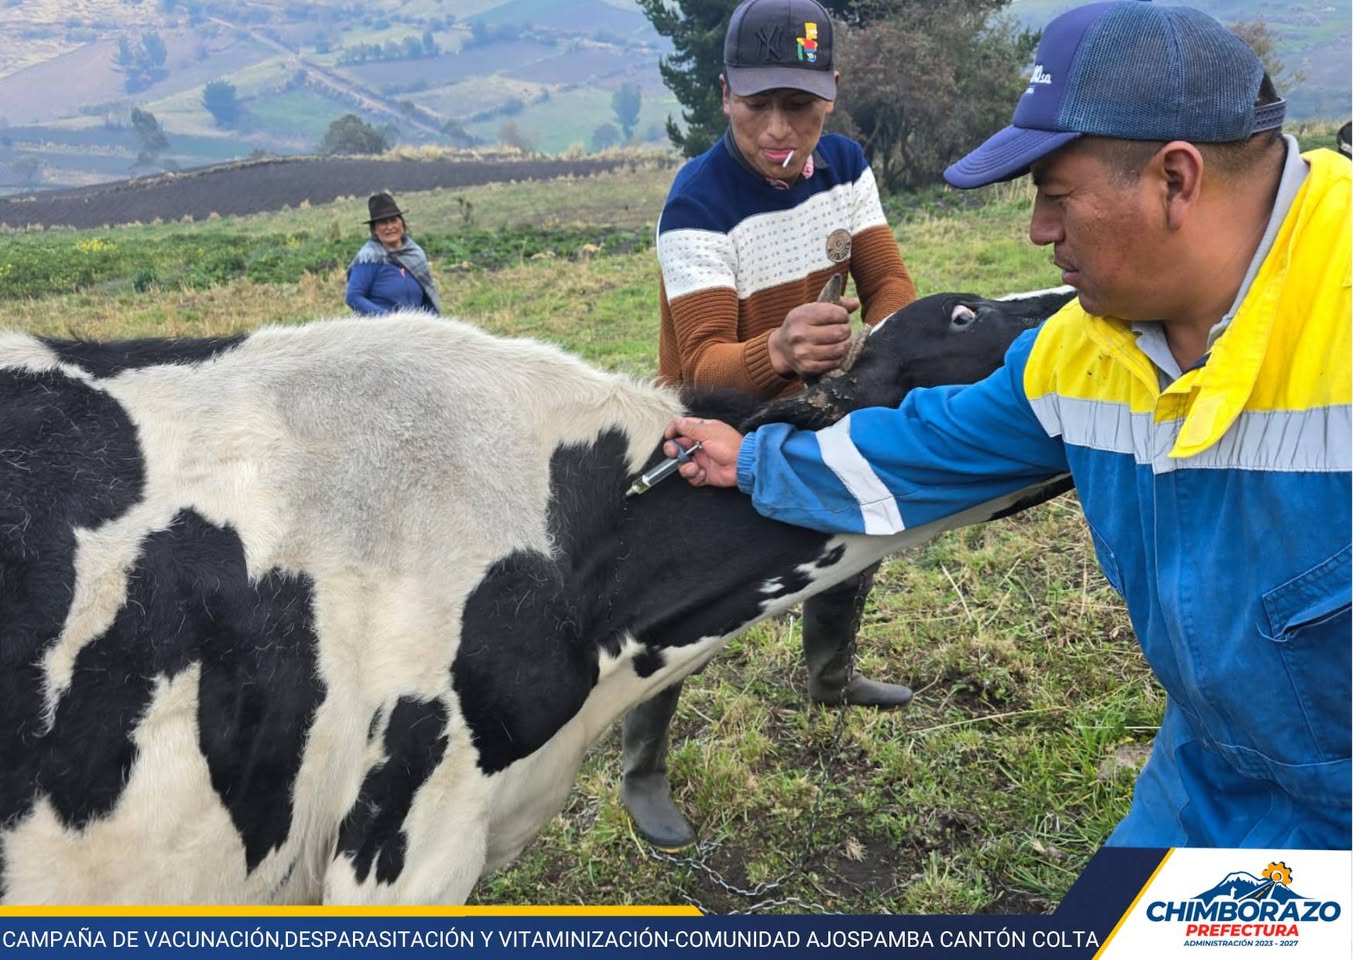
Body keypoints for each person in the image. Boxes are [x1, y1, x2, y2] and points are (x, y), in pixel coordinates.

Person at [662, 0, 1351, 850]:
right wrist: (754, 461)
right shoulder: (1079, 351)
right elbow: (926, 447)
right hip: (1210, 775)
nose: (1036, 233)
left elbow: (889, 287)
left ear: (1175, 180)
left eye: (1056, 198)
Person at [621, 0, 920, 851]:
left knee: (848, 537)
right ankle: (642, 766)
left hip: (817, 402)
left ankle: (829, 676)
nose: (781, 129)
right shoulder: (697, 202)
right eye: (760, 107)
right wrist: (780, 347)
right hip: (708, 423)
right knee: (683, 603)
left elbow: (889, 283)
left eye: (802, 105)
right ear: (724, 96)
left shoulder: (846, 166)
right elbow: (702, 359)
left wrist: (877, 351)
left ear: (829, 97)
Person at [345, 191, 441, 316]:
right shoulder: (369, 258)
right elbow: (353, 297)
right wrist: (388, 318)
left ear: (402, 224)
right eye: (383, 223)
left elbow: (427, 299)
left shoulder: (415, 255)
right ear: (374, 229)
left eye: (393, 220)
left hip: (415, 328)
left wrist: (432, 323)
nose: (389, 227)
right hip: (377, 330)